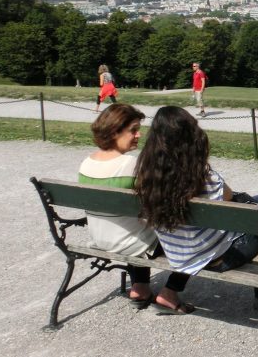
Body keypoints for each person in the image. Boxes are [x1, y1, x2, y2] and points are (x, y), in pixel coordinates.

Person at [135, 106, 258, 313]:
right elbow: (230, 199)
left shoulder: (146, 178)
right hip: (213, 259)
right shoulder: (203, 178)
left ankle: (169, 291)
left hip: (178, 253)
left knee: (256, 205)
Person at [78, 104, 191, 312]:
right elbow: (161, 202)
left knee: (134, 224)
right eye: (133, 129)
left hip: (100, 238)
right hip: (132, 244)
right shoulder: (132, 165)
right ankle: (171, 291)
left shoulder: (86, 163)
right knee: (191, 238)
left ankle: (140, 287)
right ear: (115, 131)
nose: (139, 135)